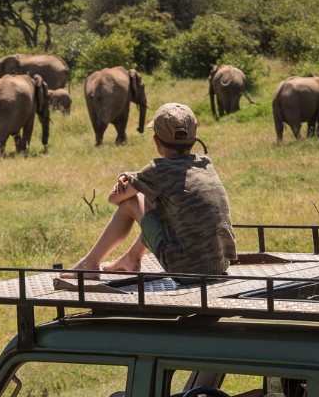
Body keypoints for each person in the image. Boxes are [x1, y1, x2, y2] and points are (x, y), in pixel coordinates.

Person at [62, 102, 236, 279]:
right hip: (220, 263)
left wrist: (131, 180)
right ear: (193, 138)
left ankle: (90, 264)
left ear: (156, 140)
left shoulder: (158, 170)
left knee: (131, 202)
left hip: (185, 269)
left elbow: (114, 199)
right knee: (156, 201)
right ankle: (131, 258)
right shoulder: (205, 163)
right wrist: (138, 178)